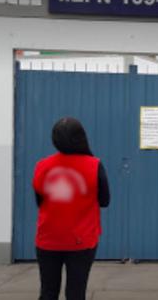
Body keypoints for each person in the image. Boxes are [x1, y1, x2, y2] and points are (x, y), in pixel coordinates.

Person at [32, 117, 110, 300]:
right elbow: (105, 201)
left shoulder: (42, 166)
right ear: (82, 137)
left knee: (48, 292)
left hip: (48, 239)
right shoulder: (95, 165)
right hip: (81, 240)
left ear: (55, 140)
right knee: (76, 292)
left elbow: (39, 202)